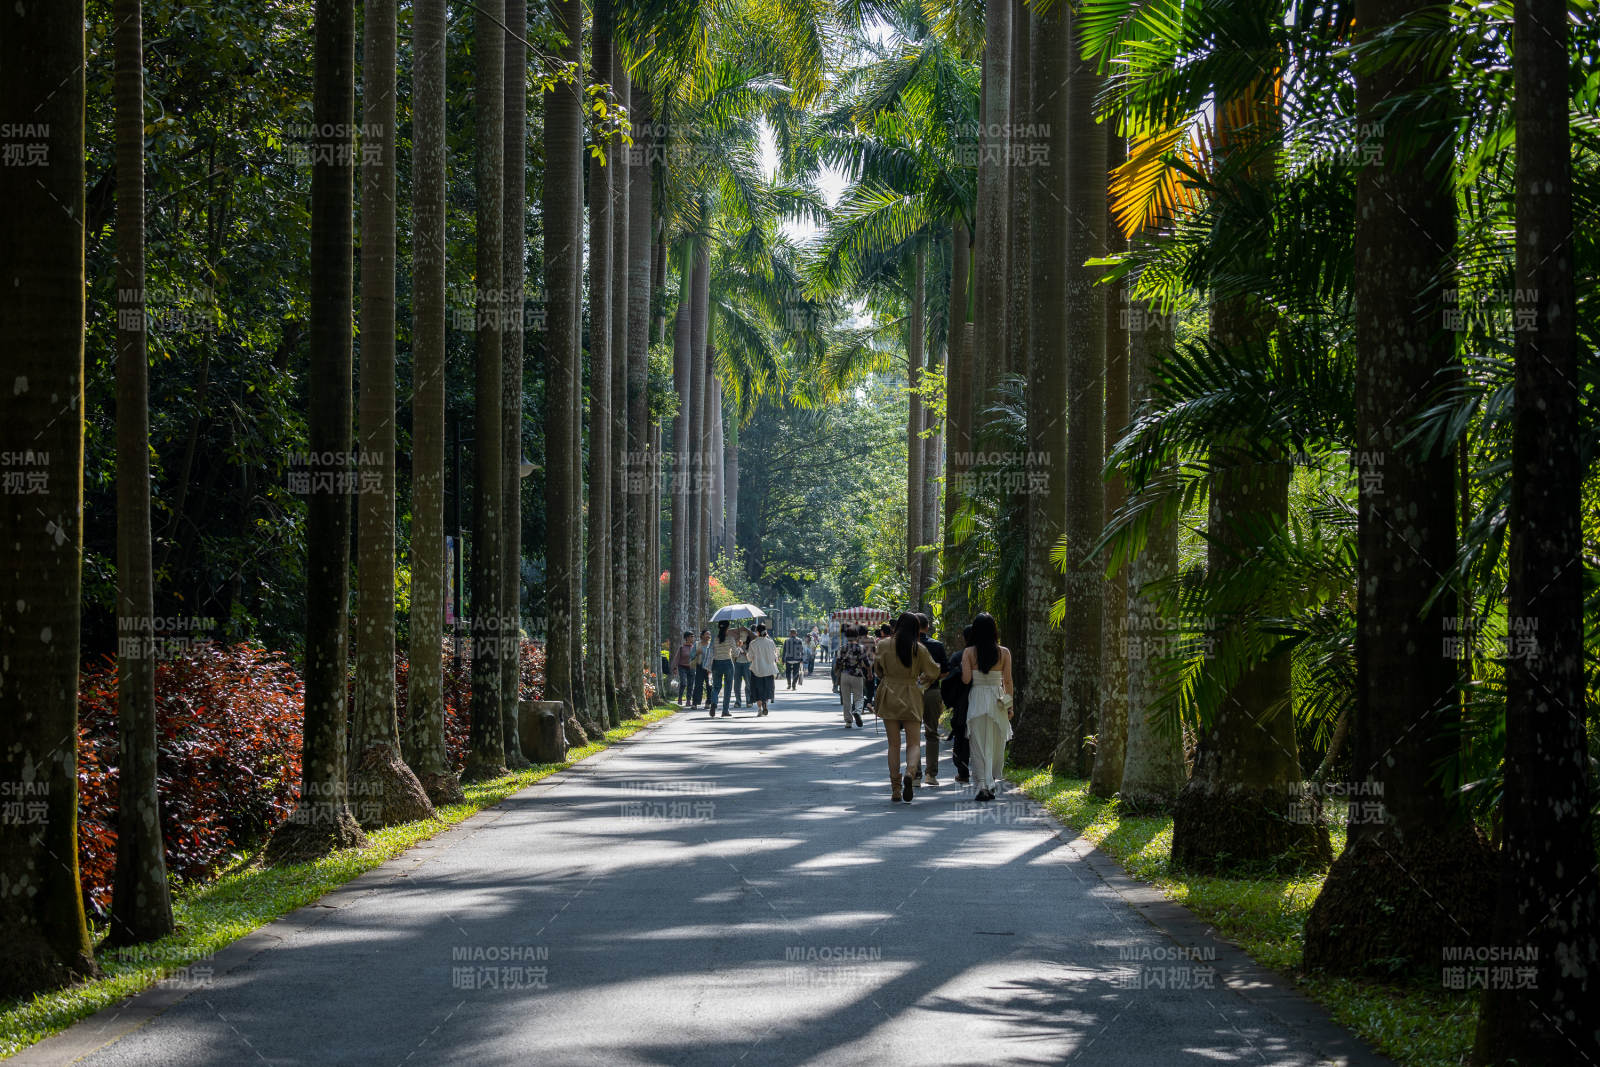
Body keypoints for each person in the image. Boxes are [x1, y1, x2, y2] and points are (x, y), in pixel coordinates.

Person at [873, 613, 940, 803]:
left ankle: (895, 788)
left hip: (890, 695)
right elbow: (933, 671)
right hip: (912, 695)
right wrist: (922, 682)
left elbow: (877, 670)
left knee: (893, 745)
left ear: (897, 626)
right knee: (914, 743)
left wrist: (887, 677)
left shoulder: (883, 645)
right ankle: (910, 773)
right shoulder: (919, 649)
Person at [961, 612, 1014, 802]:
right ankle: (991, 781)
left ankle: (983, 785)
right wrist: (1010, 706)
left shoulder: (969, 652)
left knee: (978, 743)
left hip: (977, 699)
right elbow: (1007, 681)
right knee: (996, 741)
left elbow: (966, 679)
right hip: (997, 699)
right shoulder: (1004, 652)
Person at [915, 613, 948, 787]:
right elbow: (945, 671)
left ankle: (915, 775)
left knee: (913, 734)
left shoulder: (907, 646)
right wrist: (930, 678)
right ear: (927, 627)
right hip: (932, 692)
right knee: (932, 733)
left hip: (911, 693)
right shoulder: (937, 646)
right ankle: (931, 774)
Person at [939, 625, 975, 783]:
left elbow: (949, 681)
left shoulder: (958, 656)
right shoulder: (989, 655)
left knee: (962, 735)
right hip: (982, 700)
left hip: (962, 703)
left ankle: (963, 771)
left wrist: (950, 702)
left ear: (964, 638)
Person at [835, 626, 869, 728]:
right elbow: (866, 663)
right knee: (859, 697)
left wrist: (837, 674)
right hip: (857, 675)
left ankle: (848, 722)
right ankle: (857, 711)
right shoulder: (861, 648)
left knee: (846, 699)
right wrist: (869, 672)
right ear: (857, 636)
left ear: (846, 636)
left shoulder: (842, 648)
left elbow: (838, 663)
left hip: (844, 675)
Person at [746, 623, 779, 716]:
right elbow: (774, 656)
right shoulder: (770, 642)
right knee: (767, 689)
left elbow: (750, 658)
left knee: (757, 690)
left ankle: (759, 709)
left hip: (757, 670)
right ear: (766, 631)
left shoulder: (753, 643)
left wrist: (746, 654)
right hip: (768, 670)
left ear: (757, 632)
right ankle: (765, 704)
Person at [708, 620, 736, 718]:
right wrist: (739, 646)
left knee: (716, 687)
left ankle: (714, 703)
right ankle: (725, 710)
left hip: (716, 663)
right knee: (728, 688)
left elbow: (711, 652)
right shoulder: (730, 639)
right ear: (727, 628)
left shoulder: (714, 639)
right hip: (728, 663)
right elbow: (735, 654)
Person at [673, 632, 696, 706]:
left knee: (690, 684)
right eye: (691, 636)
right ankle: (680, 698)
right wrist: (675, 668)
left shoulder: (694, 647)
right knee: (683, 683)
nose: (693, 638)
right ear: (687, 638)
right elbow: (677, 658)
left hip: (691, 667)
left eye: (693, 636)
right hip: (682, 667)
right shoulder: (681, 647)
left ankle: (688, 700)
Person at [691, 629, 712, 708]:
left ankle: (708, 702)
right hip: (700, 667)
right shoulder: (697, 644)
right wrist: (697, 653)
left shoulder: (711, 645)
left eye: (709, 634)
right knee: (698, 685)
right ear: (702, 635)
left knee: (709, 685)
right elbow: (691, 656)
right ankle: (695, 703)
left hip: (709, 668)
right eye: (707, 634)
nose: (708, 636)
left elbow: (713, 656)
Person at [731, 629, 750, 707]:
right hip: (737, 664)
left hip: (747, 664)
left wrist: (744, 650)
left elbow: (751, 656)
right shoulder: (736, 644)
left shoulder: (750, 644)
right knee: (737, 684)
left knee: (748, 683)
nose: (742, 637)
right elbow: (733, 654)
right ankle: (738, 701)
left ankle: (749, 701)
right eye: (741, 635)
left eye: (744, 635)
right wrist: (738, 647)